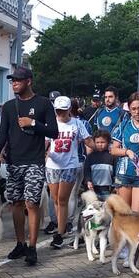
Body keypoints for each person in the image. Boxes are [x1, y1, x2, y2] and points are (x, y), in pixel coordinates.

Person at [0, 65, 58, 266]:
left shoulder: (44, 104)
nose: (14, 83)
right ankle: (20, 243)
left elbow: (54, 132)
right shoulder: (9, 106)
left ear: (29, 81)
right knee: (16, 203)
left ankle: (32, 246)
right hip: (13, 162)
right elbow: (3, 132)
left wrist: (33, 123)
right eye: (12, 80)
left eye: (18, 80)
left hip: (34, 162)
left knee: (32, 203)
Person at [46, 96, 93, 248]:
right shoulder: (51, 123)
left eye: (63, 111)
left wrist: (100, 148)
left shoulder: (77, 124)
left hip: (70, 165)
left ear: (69, 110)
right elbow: (45, 143)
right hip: (52, 165)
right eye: (58, 111)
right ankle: (62, 226)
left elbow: (88, 140)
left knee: (62, 198)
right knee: (55, 199)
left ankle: (60, 233)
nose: (60, 114)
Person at [83, 131, 116, 200]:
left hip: (107, 189)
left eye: (102, 142)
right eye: (97, 142)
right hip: (93, 189)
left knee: (107, 208)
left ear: (108, 143)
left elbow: (115, 172)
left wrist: (115, 186)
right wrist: (88, 181)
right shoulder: (90, 157)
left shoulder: (112, 156)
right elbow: (86, 170)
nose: (100, 144)